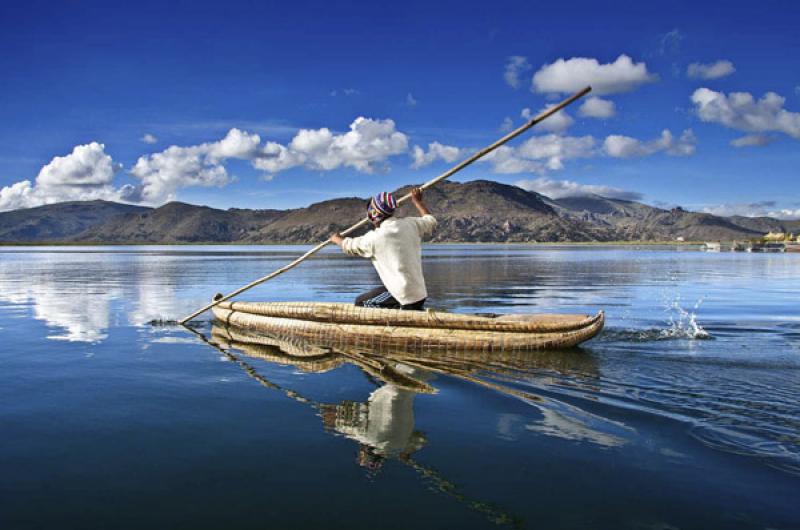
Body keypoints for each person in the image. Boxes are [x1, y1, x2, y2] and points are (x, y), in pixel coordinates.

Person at [330, 187, 436, 310]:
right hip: (419, 294)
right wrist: (418, 202)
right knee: (382, 294)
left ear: (374, 215)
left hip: (404, 296)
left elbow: (350, 246)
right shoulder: (411, 224)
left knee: (360, 303)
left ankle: (388, 326)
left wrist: (336, 239)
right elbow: (430, 221)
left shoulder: (375, 238)